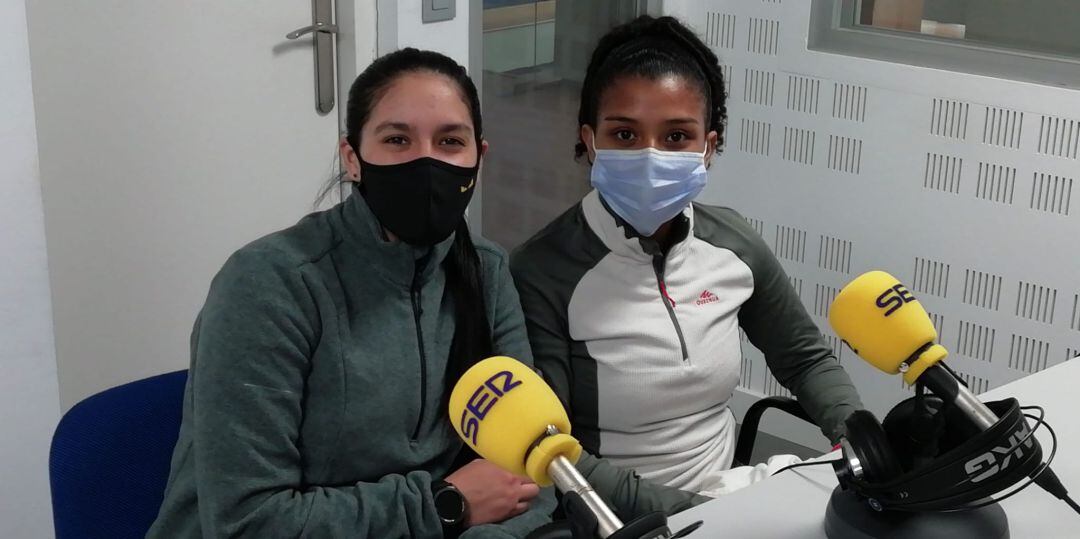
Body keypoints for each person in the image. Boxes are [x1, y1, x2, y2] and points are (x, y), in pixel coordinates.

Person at [148, 48, 556, 538]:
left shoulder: (485, 271)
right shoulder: (268, 285)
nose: (426, 160)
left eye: (450, 141)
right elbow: (247, 523)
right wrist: (444, 505)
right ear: (353, 158)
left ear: (477, 159)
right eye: (397, 139)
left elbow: (527, 470)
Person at [510, 15, 865, 498]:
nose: (651, 156)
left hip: (731, 495)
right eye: (625, 135)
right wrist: (698, 513)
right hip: (615, 516)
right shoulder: (542, 271)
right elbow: (556, 454)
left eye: (676, 137)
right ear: (591, 142)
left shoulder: (733, 243)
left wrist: (859, 439)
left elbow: (805, 360)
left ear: (708, 148)